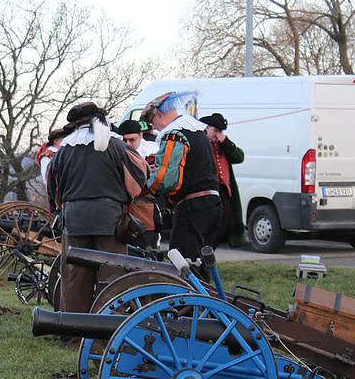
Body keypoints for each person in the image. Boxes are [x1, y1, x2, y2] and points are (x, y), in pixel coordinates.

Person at [47, 102, 148, 312]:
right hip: (110, 221)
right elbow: (140, 174)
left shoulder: (64, 150)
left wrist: (59, 207)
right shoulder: (116, 145)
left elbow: (52, 185)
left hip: (74, 220)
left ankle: (73, 333)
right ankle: (107, 331)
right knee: (112, 276)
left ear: (75, 125)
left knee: (75, 278)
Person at [144, 92, 223, 265]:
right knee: (202, 264)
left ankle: (191, 293)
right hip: (213, 204)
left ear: (159, 115)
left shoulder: (175, 134)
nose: (154, 127)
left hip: (193, 209)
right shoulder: (197, 132)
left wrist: (145, 186)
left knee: (184, 264)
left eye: (153, 122)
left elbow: (166, 179)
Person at [199, 113, 247, 248]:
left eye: (220, 131)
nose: (217, 134)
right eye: (215, 131)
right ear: (207, 128)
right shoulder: (201, 142)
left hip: (224, 191)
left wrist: (225, 142)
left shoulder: (224, 145)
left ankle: (209, 256)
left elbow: (239, 157)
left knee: (222, 226)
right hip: (207, 191)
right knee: (208, 228)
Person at [119, 119, 160, 250]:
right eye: (125, 140)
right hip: (123, 213)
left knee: (145, 251)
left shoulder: (152, 151)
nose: (128, 144)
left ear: (141, 136)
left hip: (145, 210)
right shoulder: (117, 151)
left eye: (132, 140)